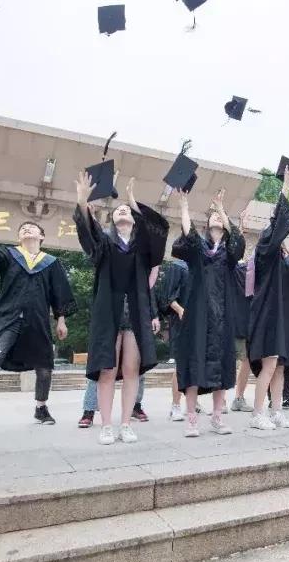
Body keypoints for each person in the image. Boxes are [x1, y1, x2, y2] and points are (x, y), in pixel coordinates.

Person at [0, 220, 76, 432]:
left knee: (45, 368)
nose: (26, 229)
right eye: (22, 229)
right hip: (8, 319)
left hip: (38, 321)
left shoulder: (51, 262)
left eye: (32, 227)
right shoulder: (9, 255)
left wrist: (61, 320)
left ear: (42, 236)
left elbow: (60, 294)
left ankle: (41, 407)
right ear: (19, 238)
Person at [73, 171, 165, 445]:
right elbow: (88, 235)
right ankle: (106, 425)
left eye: (127, 210)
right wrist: (82, 202)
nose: (122, 211)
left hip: (135, 313)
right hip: (109, 313)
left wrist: (133, 200)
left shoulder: (142, 248)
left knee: (131, 368)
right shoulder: (105, 243)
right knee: (107, 370)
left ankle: (126, 423)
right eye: (119, 210)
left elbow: (157, 233)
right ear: (112, 220)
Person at [171, 188, 246, 436]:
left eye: (219, 217)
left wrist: (222, 209)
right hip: (197, 318)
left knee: (223, 366)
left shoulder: (229, 254)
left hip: (223, 317)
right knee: (194, 364)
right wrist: (184, 205)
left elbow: (238, 241)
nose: (215, 217)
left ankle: (216, 417)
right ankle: (191, 418)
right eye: (212, 215)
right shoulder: (198, 250)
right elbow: (187, 233)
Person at [246, 165, 289, 430]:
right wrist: (286, 188)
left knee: (280, 366)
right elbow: (280, 220)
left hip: (281, 314)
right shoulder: (266, 245)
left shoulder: (282, 255)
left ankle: (276, 409)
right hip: (268, 314)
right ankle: (258, 413)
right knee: (269, 365)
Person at [154, 258, 191, 422]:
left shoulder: (202, 265)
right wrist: (180, 310)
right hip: (182, 322)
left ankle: (193, 402)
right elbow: (168, 297)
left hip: (200, 322)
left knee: (196, 364)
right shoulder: (177, 266)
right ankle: (175, 406)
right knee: (181, 365)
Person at [229, 212, 255, 413]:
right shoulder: (231, 269)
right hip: (231, 322)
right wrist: (240, 228)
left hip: (248, 325)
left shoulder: (254, 274)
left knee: (245, 361)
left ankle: (238, 397)